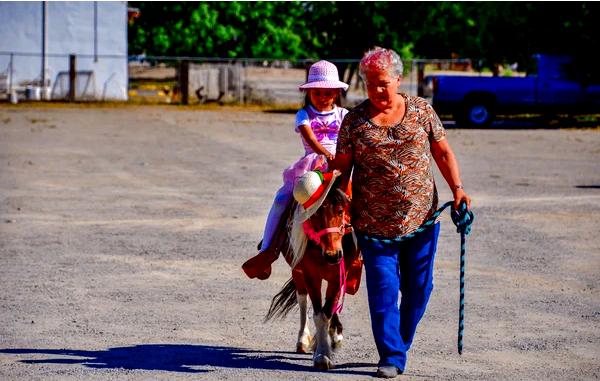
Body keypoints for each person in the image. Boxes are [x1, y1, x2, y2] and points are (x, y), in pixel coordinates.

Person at [334, 47, 471, 378]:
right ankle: (392, 356)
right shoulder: (354, 123)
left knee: (419, 289)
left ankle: (400, 341)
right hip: (372, 226)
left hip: (422, 221)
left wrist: (457, 190)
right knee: (382, 290)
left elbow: (442, 152)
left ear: (398, 79)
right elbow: (341, 172)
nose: (378, 90)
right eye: (371, 84)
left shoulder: (422, 111)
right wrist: (335, 204)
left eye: (384, 83)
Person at [242, 60, 349, 280]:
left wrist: (342, 158)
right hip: (313, 165)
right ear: (308, 92)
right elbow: (309, 137)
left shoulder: (344, 115)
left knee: (361, 198)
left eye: (328, 93)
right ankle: (267, 250)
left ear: (337, 93)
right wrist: (327, 154)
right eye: (317, 92)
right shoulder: (303, 115)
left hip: (340, 165)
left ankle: (362, 254)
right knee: (282, 198)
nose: (322, 97)